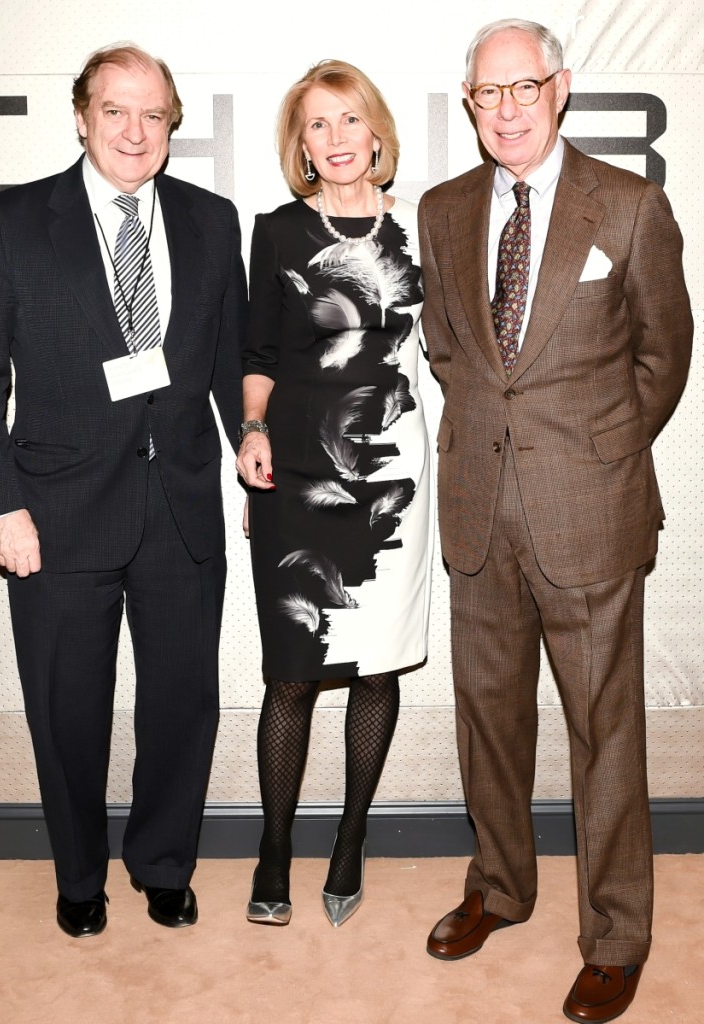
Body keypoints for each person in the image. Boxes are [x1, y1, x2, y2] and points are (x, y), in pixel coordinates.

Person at [419, 18, 692, 1023]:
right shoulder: (443, 210)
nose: (506, 110)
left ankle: (616, 934)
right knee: (488, 716)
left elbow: (664, 352)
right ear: (470, 102)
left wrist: (602, 453)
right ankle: (500, 884)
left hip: (591, 511)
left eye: (523, 88)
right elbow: (452, 352)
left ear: (561, 87)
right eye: (487, 94)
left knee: (604, 730)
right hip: (478, 513)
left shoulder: (628, 205)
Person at [0, 44, 246, 938]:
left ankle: (163, 865)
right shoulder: (9, 223)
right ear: (80, 116)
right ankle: (78, 876)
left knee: (181, 705)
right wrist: (0, 505)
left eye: (153, 114)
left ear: (171, 127)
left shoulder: (211, 220)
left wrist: (255, 445)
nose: (134, 130)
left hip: (181, 510)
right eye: (115, 110)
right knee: (67, 712)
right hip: (54, 516)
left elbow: (233, 362)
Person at [236, 59, 432, 929]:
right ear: (301, 146)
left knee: (378, 665)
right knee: (291, 674)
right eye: (317, 125)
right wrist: (251, 431)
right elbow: (258, 351)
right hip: (297, 476)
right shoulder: (276, 231)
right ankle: (275, 845)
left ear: (377, 132)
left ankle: (351, 837)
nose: (337, 138)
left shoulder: (426, 225)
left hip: (393, 474)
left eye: (349, 120)